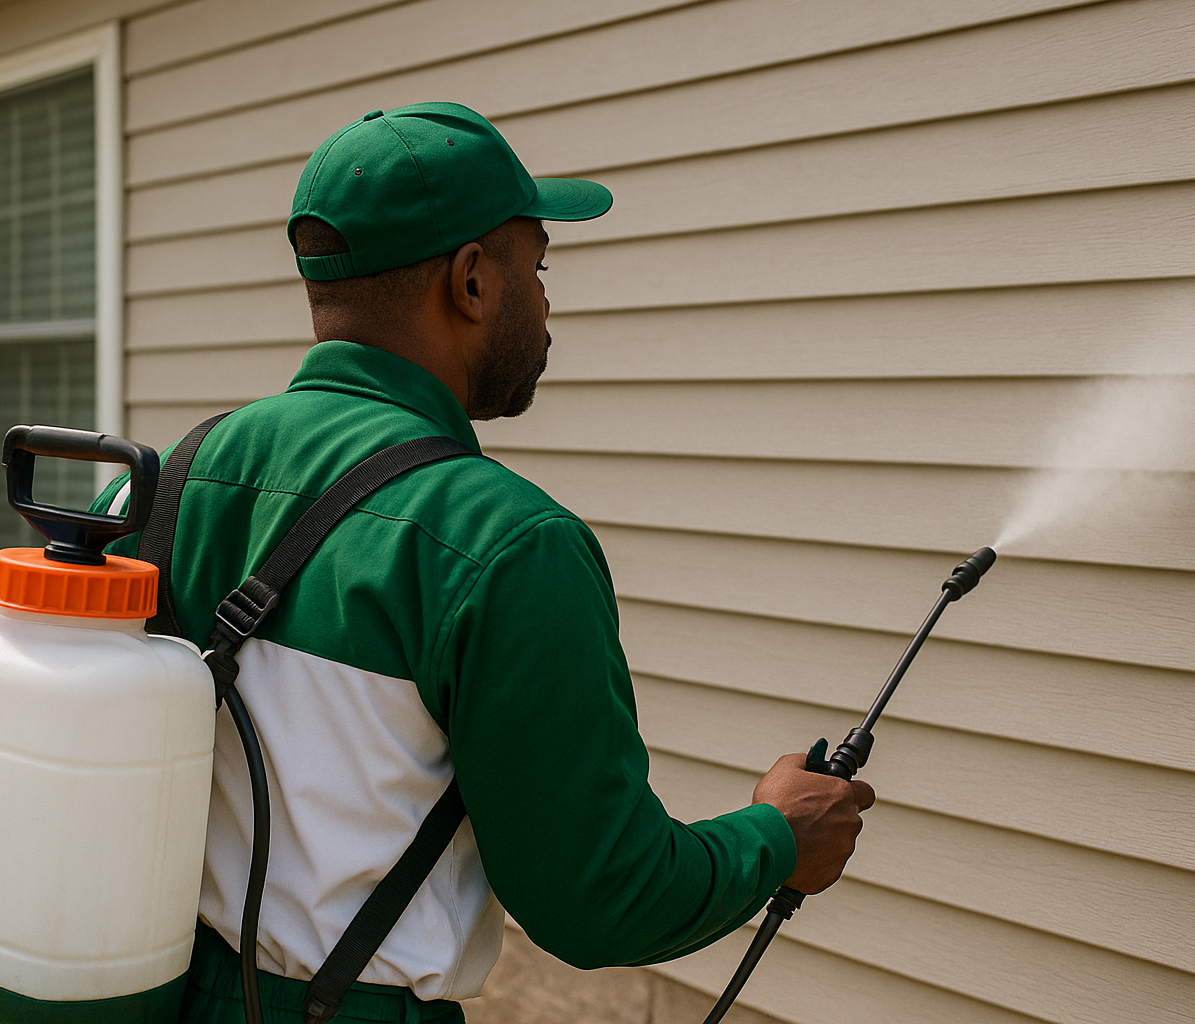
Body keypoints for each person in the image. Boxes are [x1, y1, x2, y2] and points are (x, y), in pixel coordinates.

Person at [97, 101, 874, 1024]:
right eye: (537, 267)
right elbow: (601, 897)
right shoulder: (507, 544)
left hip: (146, 997)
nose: (546, 301)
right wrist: (779, 839)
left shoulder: (165, 480)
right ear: (471, 282)